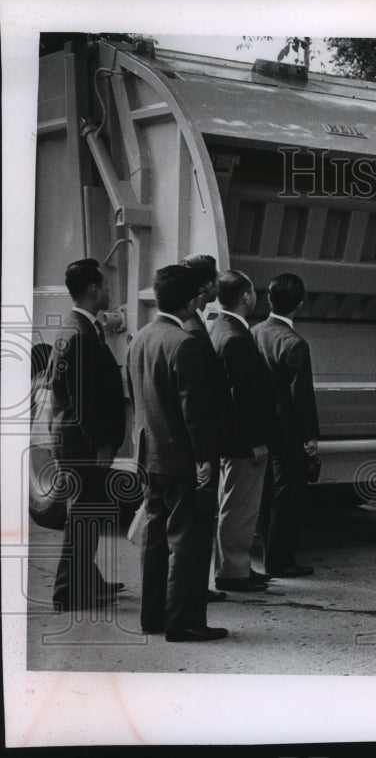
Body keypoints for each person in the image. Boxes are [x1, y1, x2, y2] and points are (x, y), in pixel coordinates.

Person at [127, 264, 226, 642]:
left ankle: (153, 615)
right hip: (182, 458)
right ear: (189, 302)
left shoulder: (140, 338)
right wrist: (204, 459)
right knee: (188, 540)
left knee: (156, 538)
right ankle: (183, 622)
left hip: (150, 453)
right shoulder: (184, 343)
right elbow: (195, 414)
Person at [48, 259, 126, 612]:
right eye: (106, 285)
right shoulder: (80, 333)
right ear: (93, 289)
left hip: (73, 439)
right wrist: (102, 444)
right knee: (85, 514)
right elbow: (84, 401)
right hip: (82, 443)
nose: (110, 291)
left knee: (88, 512)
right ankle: (67, 592)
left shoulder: (77, 327)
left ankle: (88, 580)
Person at [209, 271, 275, 593]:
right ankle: (233, 572)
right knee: (240, 507)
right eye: (252, 291)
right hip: (242, 442)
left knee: (232, 503)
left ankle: (235, 565)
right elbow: (243, 397)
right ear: (246, 296)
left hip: (230, 438)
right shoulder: (235, 337)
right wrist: (255, 442)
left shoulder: (219, 328)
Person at [253, 273, 320, 578]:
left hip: (260, 424)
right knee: (287, 494)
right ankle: (279, 561)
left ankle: (265, 551)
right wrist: (310, 436)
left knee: (266, 492)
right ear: (300, 306)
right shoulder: (295, 344)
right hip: (286, 430)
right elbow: (301, 396)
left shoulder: (253, 333)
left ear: (269, 300)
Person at [179, 254, 232, 601]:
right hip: (198, 444)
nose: (218, 285)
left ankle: (196, 584)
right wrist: (203, 455)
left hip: (198, 442)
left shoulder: (195, 323)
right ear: (204, 287)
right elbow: (194, 399)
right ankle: (194, 588)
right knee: (197, 520)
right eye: (215, 280)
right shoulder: (192, 329)